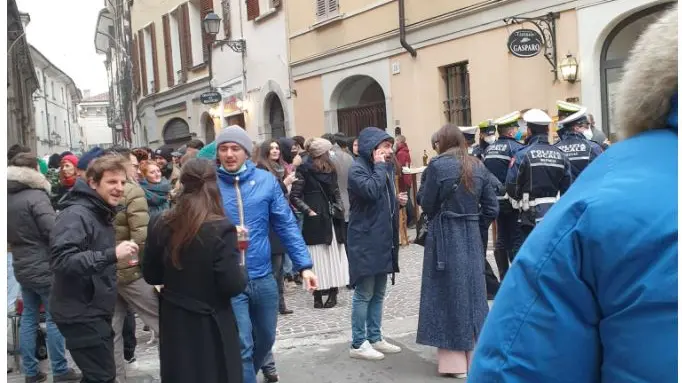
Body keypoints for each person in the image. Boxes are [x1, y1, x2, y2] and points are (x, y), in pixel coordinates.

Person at [469, 7, 677, 381]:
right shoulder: (594, 152)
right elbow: (568, 179)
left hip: (538, 216)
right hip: (561, 210)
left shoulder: (515, 154)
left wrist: (515, 207)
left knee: (515, 254)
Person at [214, 126, 318, 383]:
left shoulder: (265, 181)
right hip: (229, 279)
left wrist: (304, 265)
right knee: (242, 344)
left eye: (235, 148)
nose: (229, 154)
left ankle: (242, 374)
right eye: (224, 148)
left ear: (247, 152)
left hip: (262, 275)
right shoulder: (210, 186)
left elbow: (285, 224)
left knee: (266, 338)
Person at [143, 158, 246, 383]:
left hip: (175, 319)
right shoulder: (221, 227)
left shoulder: (159, 222)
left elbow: (151, 275)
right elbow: (232, 284)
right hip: (211, 322)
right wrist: (240, 261)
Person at [416, 125, 498, 378]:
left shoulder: (437, 166)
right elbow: (492, 207)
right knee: (474, 294)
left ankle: (454, 363)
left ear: (442, 142)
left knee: (447, 295)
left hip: (444, 235)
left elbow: (426, 202)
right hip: (471, 234)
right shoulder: (478, 165)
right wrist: (475, 224)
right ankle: (477, 357)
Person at [50, 155, 140, 383]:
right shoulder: (76, 214)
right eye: (112, 182)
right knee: (102, 377)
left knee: (97, 377)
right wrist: (111, 254)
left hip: (92, 308)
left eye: (122, 182)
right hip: (79, 311)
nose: (119, 188)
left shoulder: (98, 211)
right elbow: (62, 261)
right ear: (92, 182)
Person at [7, 153, 81, 383]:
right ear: (34, 171)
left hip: (22, 263)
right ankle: (60, 370)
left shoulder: (6, 196)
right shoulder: (36, 196)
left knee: (29, 316)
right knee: (54, 316)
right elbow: (52, 230)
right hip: (44, 264)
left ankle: (31, 372)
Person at [347, 127, 407, 360]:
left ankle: (374, 336)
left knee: (379, 291)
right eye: (384, 146)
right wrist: (381, 167)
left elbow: (381, 198)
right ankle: (358, 342)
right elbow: (371, 191)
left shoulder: (384, 169)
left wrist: (397, 201)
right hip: (365, 239)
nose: (389, 151)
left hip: (382, 238)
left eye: (390, 147)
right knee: (365, 292)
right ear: (372, 148)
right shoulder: (357, 169)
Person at [106, 147, 160, 383]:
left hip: (107, 268)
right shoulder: (132, 191)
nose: (137, 170)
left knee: (112, 330)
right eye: (134, 165)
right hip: (131, 270)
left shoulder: (100, 190)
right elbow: (142, 237)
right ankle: (176, 371)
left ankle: (116, 378)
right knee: (163, 321)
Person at [290, 138, 350, 309]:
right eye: (327, 151)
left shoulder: (331, 168)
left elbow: (335, 190)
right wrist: (308, 210)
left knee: (333, 255)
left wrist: (340, 207)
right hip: (314, 217)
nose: (330, 153)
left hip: (331, 216)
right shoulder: (304, 170)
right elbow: (294, 195)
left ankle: (333, 292)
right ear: (320, 153)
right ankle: (316, 294)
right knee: (315, 257)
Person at [505, 109, 572, 243]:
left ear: (529, 131)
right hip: (554, 213)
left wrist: (519, 198)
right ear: (547, 129)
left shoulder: (522, 154)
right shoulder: (561, 155)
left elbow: (511, 185)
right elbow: (567, 188)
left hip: (529, 215)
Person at [482, 112, 526, 281]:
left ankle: (503, 276)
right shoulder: (515, 148)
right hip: (512, 200)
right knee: (515, 238)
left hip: (495, 201)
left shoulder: (489, 149)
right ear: (510, 132)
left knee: (501, 237)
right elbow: (517, 174)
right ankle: (515, 280)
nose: (518, 131)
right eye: (516, 128)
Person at [460, 126, 501, 298]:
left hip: (462, 222)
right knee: (478, 258)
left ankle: (490, 289)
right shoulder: (477, 162)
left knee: (473, 261)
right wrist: (482, 222)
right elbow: (497, 187)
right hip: (477, 219)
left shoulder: (445, 164)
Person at [555, 107, 604, 180]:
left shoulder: (555, 149)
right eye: (586, 126)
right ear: (576, 128)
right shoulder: (593, 147)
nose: (588, 129)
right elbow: (603, 173)